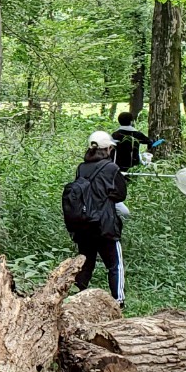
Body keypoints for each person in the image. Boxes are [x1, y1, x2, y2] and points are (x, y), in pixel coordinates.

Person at [65, 131, 128, 306]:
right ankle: (118, 301)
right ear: (107, 149)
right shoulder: (112, 168)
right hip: (105, 225)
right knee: (115, 264)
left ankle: (76, 299)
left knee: (85, 263)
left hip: (84, 224)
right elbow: (121, 194)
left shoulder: (81, 168)